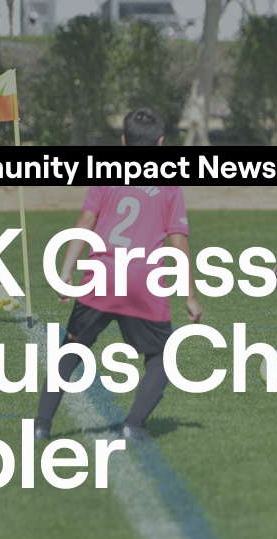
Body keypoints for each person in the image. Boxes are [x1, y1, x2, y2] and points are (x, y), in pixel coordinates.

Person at [35, 108, 203, 442]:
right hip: (143, 280)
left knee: (72, 348)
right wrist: (190, 295)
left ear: (123, 141)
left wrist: (66, 272)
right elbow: (178, 241)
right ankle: (134, 424)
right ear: (160, 144)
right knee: (160, 357)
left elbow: (85, 222)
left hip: (101, 275)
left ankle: (41, 425)